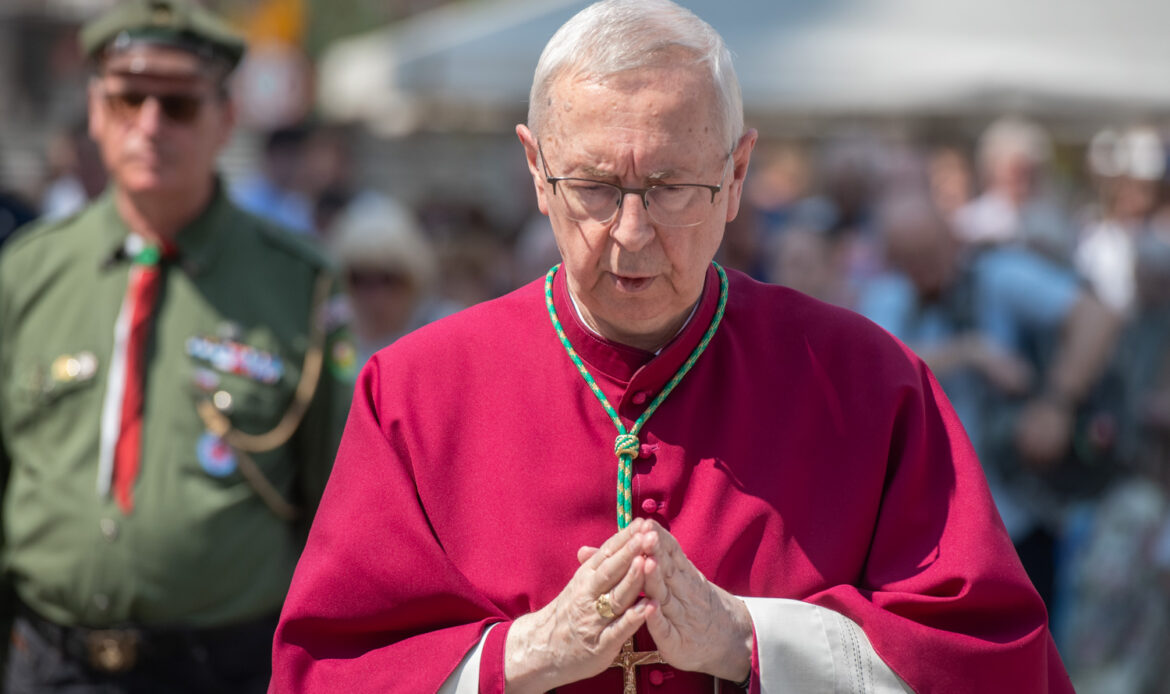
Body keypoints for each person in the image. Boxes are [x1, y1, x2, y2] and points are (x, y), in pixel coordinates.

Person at [271, 2, 1073, 692]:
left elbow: (993, 664)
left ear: (737, 173)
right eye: (591, 186)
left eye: (671, 189)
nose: (630, 234)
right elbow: (326, 671)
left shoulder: (869, 384)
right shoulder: (416, 391)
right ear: (534, 168)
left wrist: (747, 639)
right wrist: (518, 657)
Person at [0, 1, 353, 691]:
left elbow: (334, 510)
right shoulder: (28, 271)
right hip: (47, 660)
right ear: (97, 113)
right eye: (129, 99)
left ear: (225, 119)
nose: (151, 125)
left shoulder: (296, 282)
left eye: (180, 105)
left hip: (223, 668)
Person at [326, 198, 459, 365]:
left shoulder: (443, 329)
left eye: (388, 279)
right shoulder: (332, 331)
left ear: (413, 279)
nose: (375, 295)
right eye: (359, 279)